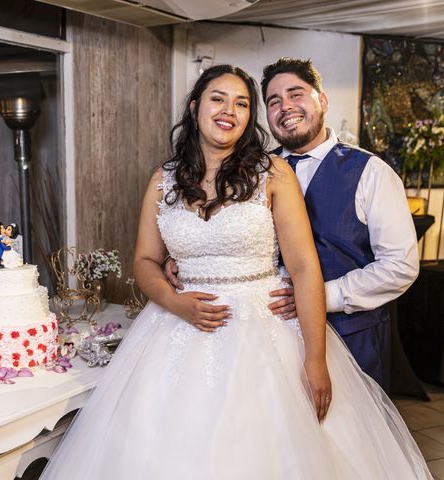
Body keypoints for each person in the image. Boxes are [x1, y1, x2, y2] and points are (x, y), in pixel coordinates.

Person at [40, 65, 430, 479]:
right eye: (218, 99)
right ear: (195, 108)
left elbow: (303, 265)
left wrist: (315, 360)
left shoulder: (276, 173)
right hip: (175, 331)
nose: (230, 110)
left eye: (242, 103)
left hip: (268, 330)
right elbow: (145, 261)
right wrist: (175, 297)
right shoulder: (163, 179)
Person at [166, 58, 419, 387]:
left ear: (322, 101)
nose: (286, 107)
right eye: (274, 101)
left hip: (350, 334)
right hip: (271, 338)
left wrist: (319, 296)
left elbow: (401, 265)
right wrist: (185, 254)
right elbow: (224, 228)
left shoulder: (371, 172)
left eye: (296, 94)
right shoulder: (252, 171)